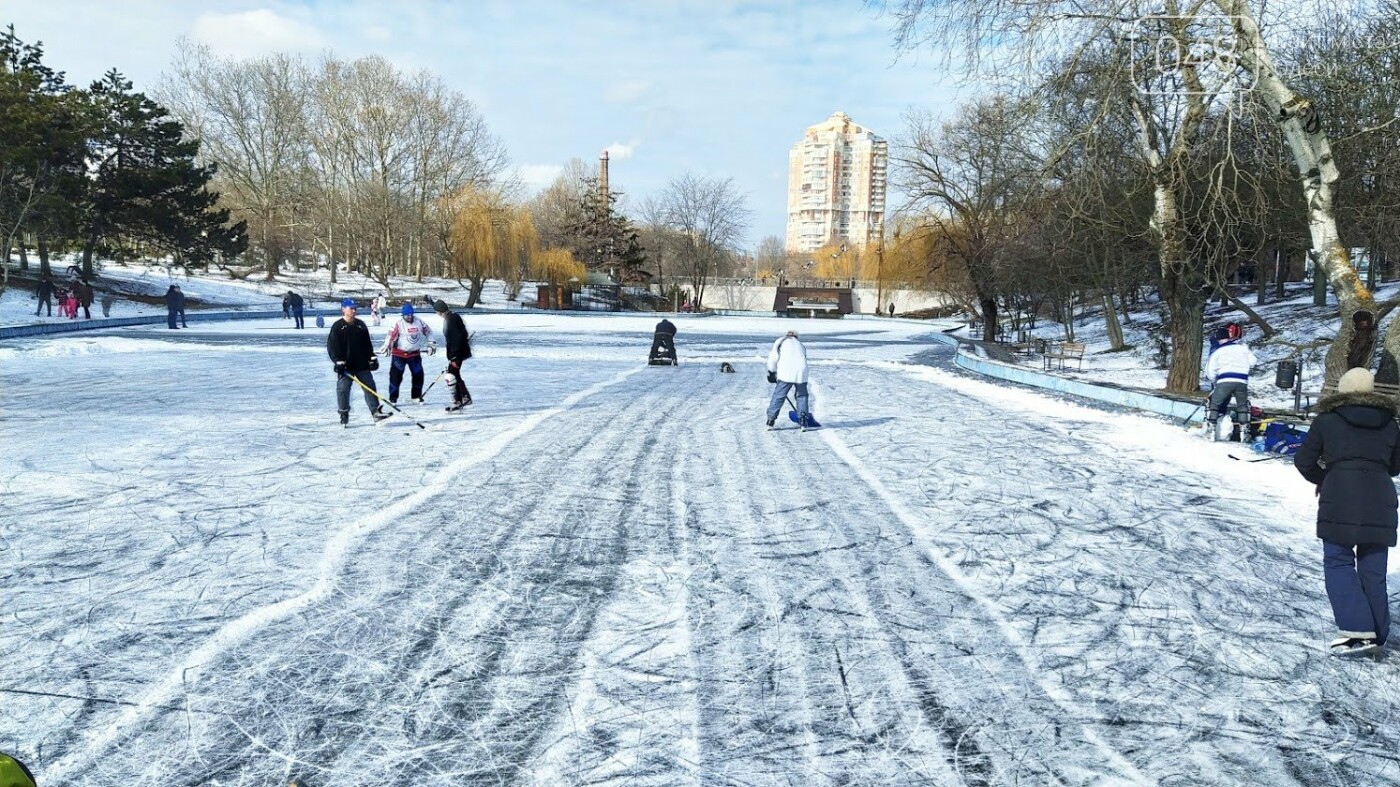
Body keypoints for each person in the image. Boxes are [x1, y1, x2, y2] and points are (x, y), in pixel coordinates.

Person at [1294, 367, 1400, 657]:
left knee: (1339, 562)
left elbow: (1304, 460)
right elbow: (1395, 466)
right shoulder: (1390, 423)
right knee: (1373, 568)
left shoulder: (1327, 420)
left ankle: (1356, 630)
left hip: (1340, 494)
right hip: (1381, 496)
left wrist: (1326, 477)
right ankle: (1377, 633)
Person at [326, 298, 390, 426]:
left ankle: (376, 412)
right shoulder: (338, 326)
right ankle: (344, 413)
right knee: (343, 389)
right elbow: (332, 347)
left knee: (370, 387)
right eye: (351, 308)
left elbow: (367, 344)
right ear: (343, 309)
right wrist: (337, 361)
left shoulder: (360, 325)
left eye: (355, 308)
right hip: (346, 366)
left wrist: (371, 357)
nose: (354, 311)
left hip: (361, 364)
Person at [1204, 322, 1255, 441]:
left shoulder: (1218, 351)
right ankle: (1244, 433)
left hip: (1225, 380)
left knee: (1214, 404)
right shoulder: (1242, 348)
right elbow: (1253, 361)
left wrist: (1215, 381)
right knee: (1242, 406)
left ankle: (1211, 430)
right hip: (1242, 381)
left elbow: (1210, 370)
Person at [379, 302, 436, 405]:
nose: (409, 317)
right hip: (399, 355)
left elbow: (428, 332)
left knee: (418, 375)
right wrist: (386, 346)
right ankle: (393, 398)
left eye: (411, 314)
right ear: (403, 315)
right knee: (396, 377)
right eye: (407, 315)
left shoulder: (419, 322)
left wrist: (431, 343)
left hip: (414, 355)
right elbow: (390, 336)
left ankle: (416, 396)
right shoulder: (398, 324)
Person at [765, 329, 810, 428]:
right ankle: (803, 419)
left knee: (779, 395)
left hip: (786, 372)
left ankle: (771, 419)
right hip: (801, 372)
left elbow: (773, 358)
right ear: (796, 337)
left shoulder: (780, 341)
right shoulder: (800, 344)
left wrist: (771, 372)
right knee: (802, 396)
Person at [434, 300, 473, 411]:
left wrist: (454, 357)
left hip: (457, 353)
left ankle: (460, 399)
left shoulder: (450, 320)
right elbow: (463, 334)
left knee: (451, 376)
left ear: (439, 311)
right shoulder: (453, 316)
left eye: (436, 311)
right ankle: (462, 398)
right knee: (454, 375)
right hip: (459, 352)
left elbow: (456, 338)